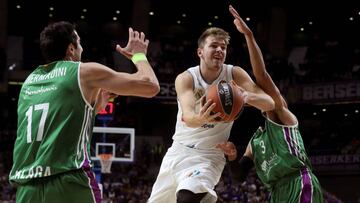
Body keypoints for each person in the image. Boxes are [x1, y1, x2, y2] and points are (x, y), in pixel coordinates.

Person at [9, 21, 159, 203]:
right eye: (79, 43)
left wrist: (93, 110)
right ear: (71, 49)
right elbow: (150, 86)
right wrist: (139, 56)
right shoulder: (83, 72)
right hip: (68, 181)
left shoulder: (30, 82)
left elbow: (52, 124)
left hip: (27, 188)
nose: (82, 48)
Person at [148, 20, 275, 203]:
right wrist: (202, 118)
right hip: (178, 151)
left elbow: (269, 103)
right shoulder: (186, 78)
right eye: (213, 45)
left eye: (223, 47)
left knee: (186, 197)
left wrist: (246, 96)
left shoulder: (234, 74)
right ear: (200, 51)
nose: (220, 50)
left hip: (209, 155)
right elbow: (189, 117)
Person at [216, 5, 324, 203]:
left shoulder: (283, 115)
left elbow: (261, 75)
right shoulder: (254, 142)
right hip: (275, 193)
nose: (272, 97)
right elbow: (239, 176)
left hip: (299, 182)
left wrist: (249, 36)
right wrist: (231, 157)